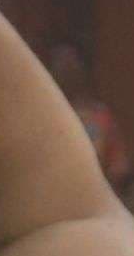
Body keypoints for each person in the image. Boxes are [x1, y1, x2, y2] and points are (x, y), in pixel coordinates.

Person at [43, 43, 128, 185]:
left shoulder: (101, 117)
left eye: (70, 65)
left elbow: (117, 168)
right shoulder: (43, 116)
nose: (66, 71)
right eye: (60, 65)